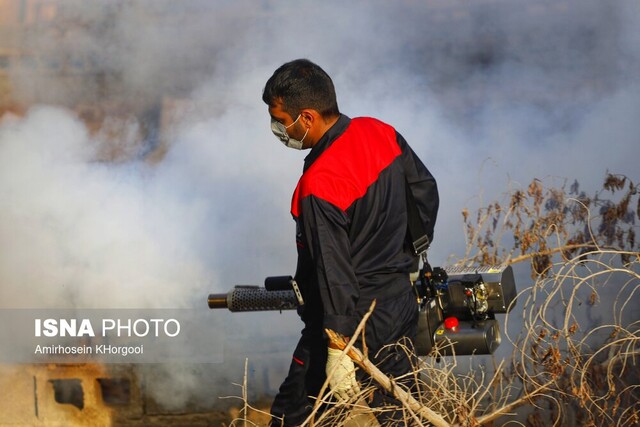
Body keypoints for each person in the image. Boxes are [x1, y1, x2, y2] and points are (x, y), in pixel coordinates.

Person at [262, 59, 439, 426]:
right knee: (401, 413)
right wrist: (406, 255)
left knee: (294, 417)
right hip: (398, 303)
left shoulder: (321, 183)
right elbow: (424, 191)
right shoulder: (379, 132)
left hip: (349, 319)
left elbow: (333, 270)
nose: (278, 129)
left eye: (280, 120)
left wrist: (338, 345)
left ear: (307, 117)